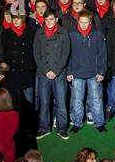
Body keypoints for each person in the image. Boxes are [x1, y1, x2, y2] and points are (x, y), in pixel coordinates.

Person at [66, 10, 108, 132]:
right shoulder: (72, 35)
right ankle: (77, 123)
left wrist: (102, 72)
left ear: (90, 22)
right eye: (81, 22)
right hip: (77, 73)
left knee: (96, 98)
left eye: (86, 22)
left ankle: (99, 122)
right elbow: (68, 55)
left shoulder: (98, 35)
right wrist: (69, 71)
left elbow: (102, 55)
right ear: (78, 21)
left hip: (94, 73)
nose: (83, 25)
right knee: (77, 99)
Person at [32, 10, 71, 138]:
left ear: (56, 19)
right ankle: (44, 128)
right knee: (44, 102)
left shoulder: (63, 33)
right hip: (43, 73)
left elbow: (66, 54)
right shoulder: (39, 32)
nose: (49, 22)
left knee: (61, 102)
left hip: (59, 74)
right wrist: (45, 70)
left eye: (51, 19)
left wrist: (56, 71)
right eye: (46, 19)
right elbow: (36, 53)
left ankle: (62, 128)